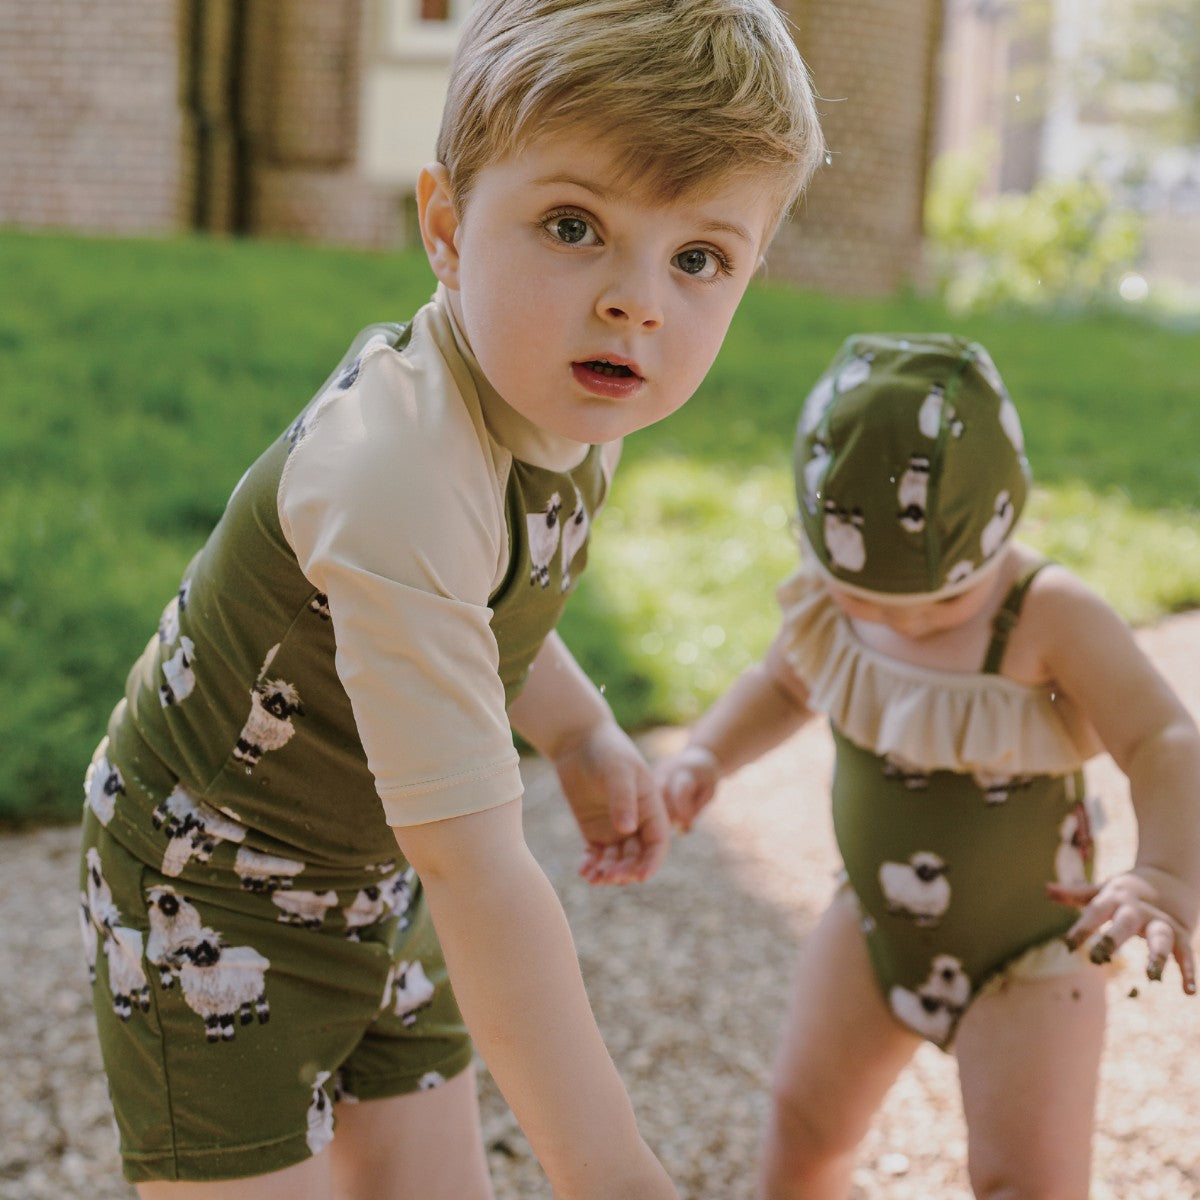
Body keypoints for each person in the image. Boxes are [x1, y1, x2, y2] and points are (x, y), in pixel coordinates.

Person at [76, 2, 825, 1196]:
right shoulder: (394, 475)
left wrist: (575, 730)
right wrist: (607, 1169)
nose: (640, 300)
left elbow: (486, 606)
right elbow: (480, 870)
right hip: (209, 885)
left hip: (370, 870)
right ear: (448, 226)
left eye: (699, 257)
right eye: (574, 225)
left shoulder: (573, 391)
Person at [657, 333, 1200, 1200]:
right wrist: (705, 754)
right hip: (872, 921)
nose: (903, 624)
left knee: (1024, 1181)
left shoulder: (1046, 613)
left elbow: (1162, 738)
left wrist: (1168, 873)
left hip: (1033, 948)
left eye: (946, 600)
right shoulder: (835, 592)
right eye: (865, 599)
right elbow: (781, 684)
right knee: (802, 1126)